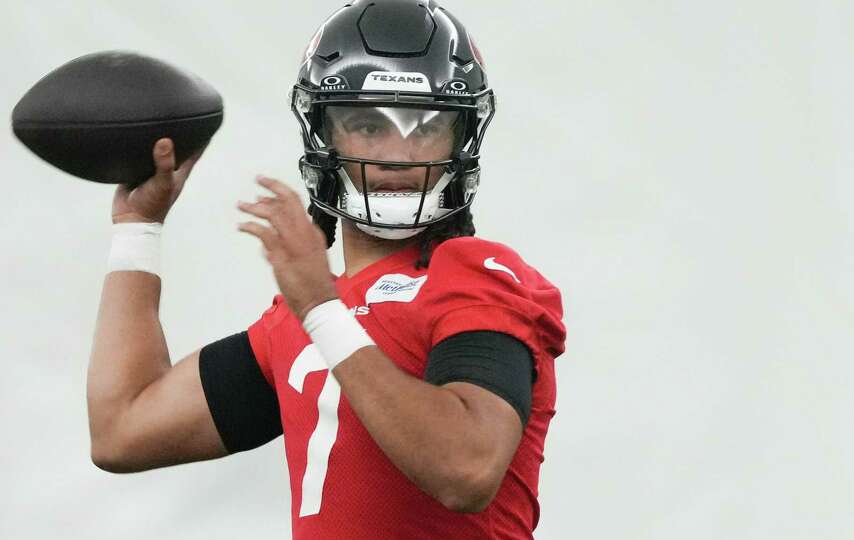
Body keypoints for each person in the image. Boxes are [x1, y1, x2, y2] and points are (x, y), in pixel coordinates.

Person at [86, 0, 566, 538]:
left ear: (461, 140)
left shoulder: (480, 277)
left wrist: (320, 309)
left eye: (426, 127)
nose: (397, 154)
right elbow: (121, 430)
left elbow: (466, 469)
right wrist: (137, 227)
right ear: (323, 135)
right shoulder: (298, 322)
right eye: (367, 124)